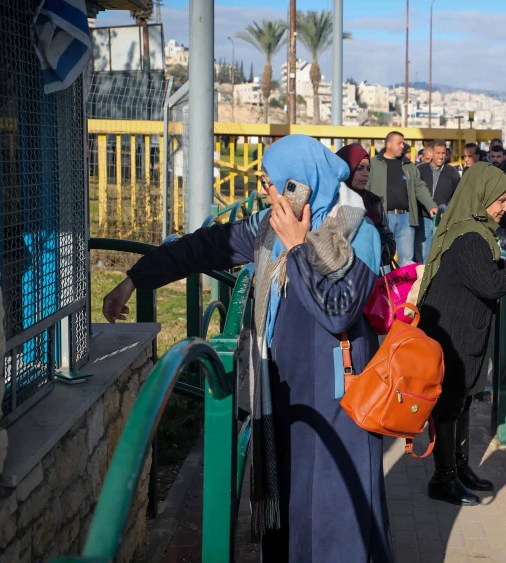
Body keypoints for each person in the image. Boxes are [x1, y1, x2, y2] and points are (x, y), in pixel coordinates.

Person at [102, 135, 391, 562]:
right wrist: (136, 278)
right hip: (285, 392)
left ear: (303, 184)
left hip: (337, 401)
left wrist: (298, 247)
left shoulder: (358, 232)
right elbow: (204, 246)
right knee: (290, 510)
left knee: (336, 517)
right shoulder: (267, 229)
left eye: (273, 183)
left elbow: (339, 312)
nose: (265, 192)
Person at [417, 163, 506, 506]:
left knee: (463, 400)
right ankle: (444, 478)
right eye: (499, 200)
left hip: (458, 331)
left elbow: (481, 275)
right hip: (452, 335)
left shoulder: (475, 232)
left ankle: (459, 467)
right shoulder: (471, 236)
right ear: (480, 196)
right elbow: (489, 286)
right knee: (450, 404)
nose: (504, 208)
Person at [368, 131, 438, 266]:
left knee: (406, 260)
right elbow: (365, 188)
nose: (403, 146)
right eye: (399, 143)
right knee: (383, 258)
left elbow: (420, 187)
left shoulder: (409, 165)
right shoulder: (374, 164)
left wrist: (431, 205)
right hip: (383, 218)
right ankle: (385, 286)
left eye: (403, 143)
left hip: (406, 219)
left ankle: (406, 287)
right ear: (388, 144)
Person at [337, 143, 397, 268]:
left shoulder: (373, 200)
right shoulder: (332, 201)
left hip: (370, 274)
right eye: (359, 168)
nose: (366, 174)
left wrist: (376, 250)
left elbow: (388, 238)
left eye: (368, 169)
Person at [415, 140, 461, 263]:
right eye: (438, 153)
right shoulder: (420, 170)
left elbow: (457, 196)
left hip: (443, 219)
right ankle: (423, 279)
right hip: (423, 218)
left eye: (443, 153)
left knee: (441, 252)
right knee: (424, 253)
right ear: (431, 153)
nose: (441, 156)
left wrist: (448, 213)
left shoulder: (452, 173)